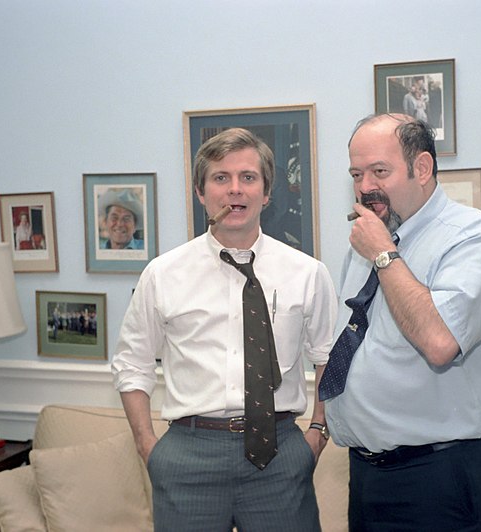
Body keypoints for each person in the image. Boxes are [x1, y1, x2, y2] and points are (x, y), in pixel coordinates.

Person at [111, 127, 337, 532]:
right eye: (221, 178)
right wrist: (148, 446)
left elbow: (327, 359)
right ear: (202, 192)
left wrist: (317, 433)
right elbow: (132, 362)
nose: (236, 190)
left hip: (281, 453)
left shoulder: (307, 273)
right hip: (188, 454)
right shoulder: (163, 274)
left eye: (248, 178)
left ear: (266, 192)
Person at [323, 114, 481, 531]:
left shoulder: (472, 238)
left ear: (422, 168)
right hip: (366, 473)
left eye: (379, 171)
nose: (364, 186)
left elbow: (439, 340)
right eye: (357, 173)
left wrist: (383, 254)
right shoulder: (369, 242)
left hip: (436, 478)